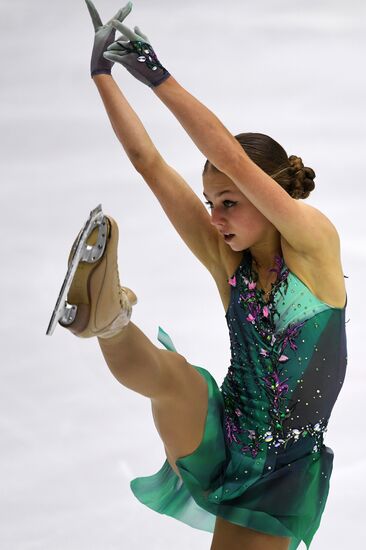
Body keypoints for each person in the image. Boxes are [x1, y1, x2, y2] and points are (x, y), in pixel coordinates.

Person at [53, 2, 349, 549]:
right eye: (211, 202)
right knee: (174, 379)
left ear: (270, 195)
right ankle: (109, 317)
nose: (214, 217)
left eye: (230, 202)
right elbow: (149, 163)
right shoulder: (227, 261)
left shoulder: (314, 246)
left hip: (283, 473)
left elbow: (232, 158)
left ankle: (111, 318)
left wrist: (159, 77)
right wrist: (102, 75)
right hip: (224, 429)